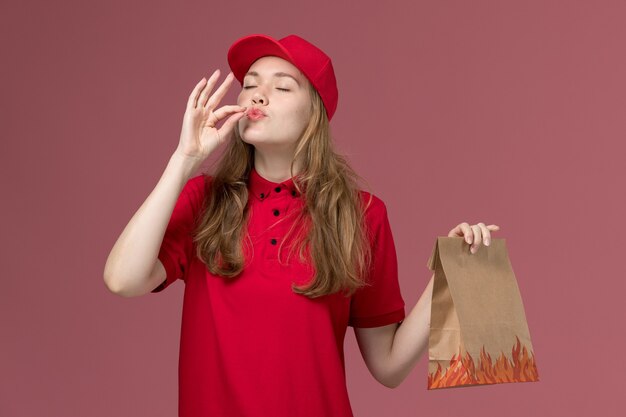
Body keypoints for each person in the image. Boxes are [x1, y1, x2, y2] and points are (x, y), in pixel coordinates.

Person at [103, 33, 499, 417]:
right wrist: (183, 159)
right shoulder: (203, 199)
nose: (257, 95)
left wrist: (449, 274)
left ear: (316, 111)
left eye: (283, 87)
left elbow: (389, 366)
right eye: (250, 84)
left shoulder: (361, 215)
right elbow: (122, 279)